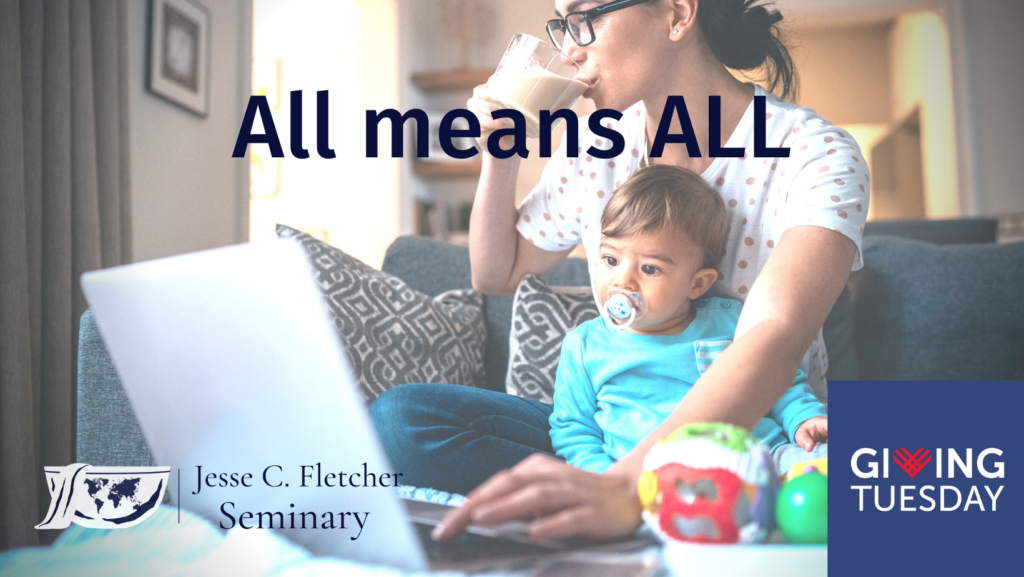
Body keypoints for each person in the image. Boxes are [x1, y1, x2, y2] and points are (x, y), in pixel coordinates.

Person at [370, 0, 867, 541]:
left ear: (678, 14)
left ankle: (632, 509)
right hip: (617, 435)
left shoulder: (816, 156)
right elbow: (497, 274)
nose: (569, 48)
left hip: (755, 436)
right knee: (402, 419)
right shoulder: (597, 147)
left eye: (586, 17)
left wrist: (632, 485)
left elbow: (773, 333)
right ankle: (618, 509)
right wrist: (500, 154)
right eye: (562, 25)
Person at [548, 164, 828, 477]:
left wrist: (804, 418)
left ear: (697, 284)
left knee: (834, 463)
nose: (622, 281)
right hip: (651, 482)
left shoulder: (732, 321)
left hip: (761, 460)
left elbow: (778, 381)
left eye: (650, 269)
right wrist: (603, 481)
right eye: (611, 260)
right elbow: (574, 430)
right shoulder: (584, 347)